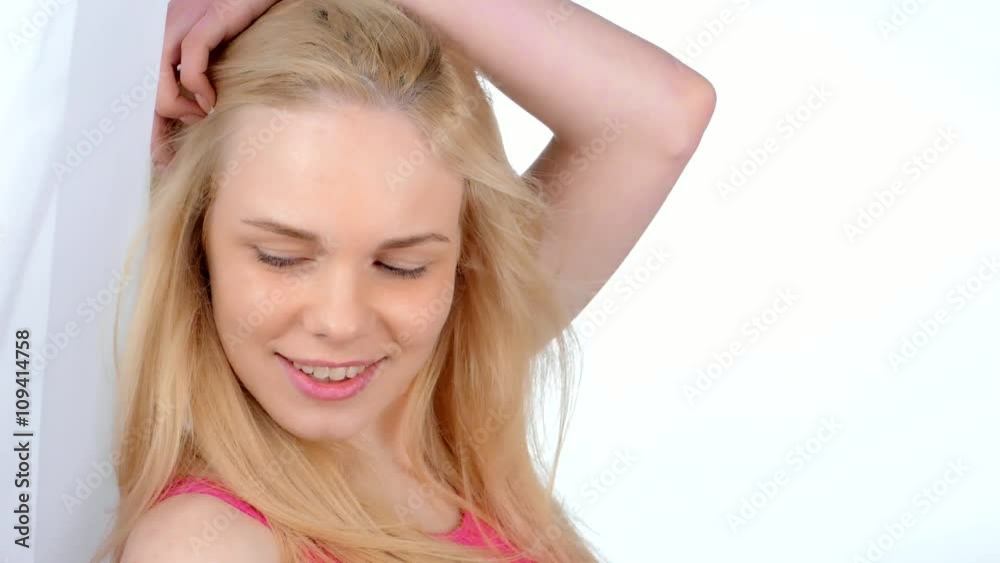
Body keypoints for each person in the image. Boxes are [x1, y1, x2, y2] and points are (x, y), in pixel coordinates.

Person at [96, 0, 716, 561]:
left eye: (402, 267)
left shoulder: (461, 384)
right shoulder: (208, 545)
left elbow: (660, 115)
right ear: (197, 246)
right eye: (281, 257)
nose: (340, 321)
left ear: (464, 261)